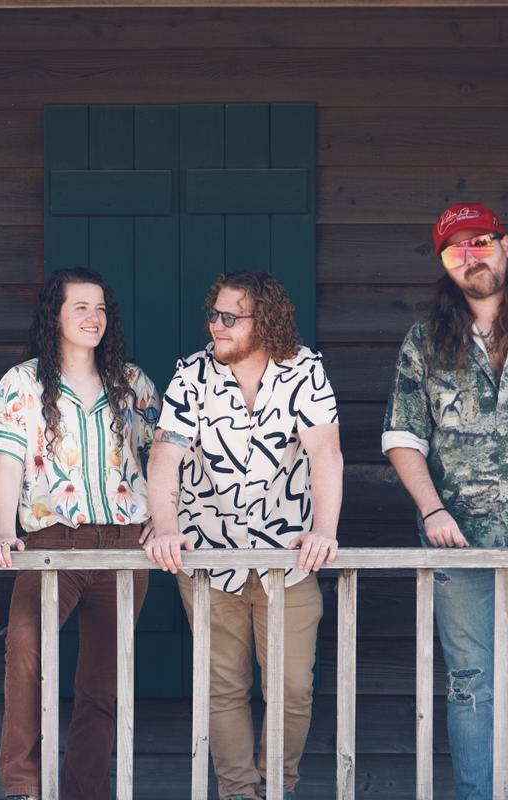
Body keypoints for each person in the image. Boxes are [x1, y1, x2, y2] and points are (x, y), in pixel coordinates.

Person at [383, 202, 508, 799]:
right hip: (458, 541)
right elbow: (402, 438)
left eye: (482, 242)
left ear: (506, 245)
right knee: (469, 685)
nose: (471, 257)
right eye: (456, 249)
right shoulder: (425, 341)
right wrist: (433, 510)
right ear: (444, 263)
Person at [144, 271, 343, 800]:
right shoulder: (192, 373)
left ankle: (278, 787)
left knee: (293, 688)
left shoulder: (304, 370)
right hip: (208, 556)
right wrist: (165, 527)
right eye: (213, 314)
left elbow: (325, 451)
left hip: (288, 558)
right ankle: (237, 793)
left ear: (266, 320)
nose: (216, 325)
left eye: (230, 317)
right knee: (222, 687)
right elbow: (165, 453)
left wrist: (325, 530)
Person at [0, 267, 160, 800]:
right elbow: (8, 463)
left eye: (100, 308)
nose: (93, 317)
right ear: (54, 315)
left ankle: (86, 791)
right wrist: (4, 531)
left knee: (102, 682)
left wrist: (166, 518)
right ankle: (23, 787)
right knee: (25, 655)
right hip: (53, 543)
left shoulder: (132, 382)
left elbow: (167, 457)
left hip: (126, 546)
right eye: (80, 307)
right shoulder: (23, 382)